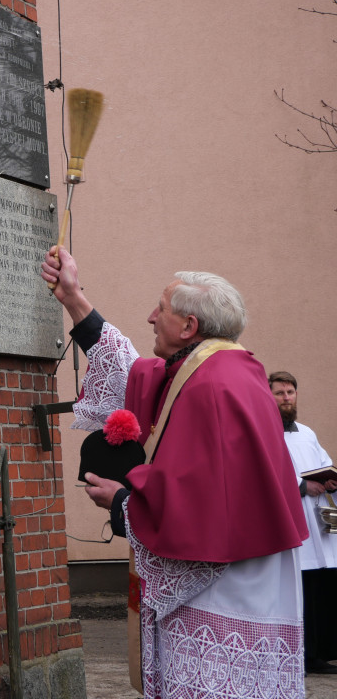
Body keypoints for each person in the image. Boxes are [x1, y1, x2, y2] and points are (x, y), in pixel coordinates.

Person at [41, 245, 308, 699]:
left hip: (226, 586)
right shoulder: (216, 369)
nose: (150, 317)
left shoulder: (216, 385)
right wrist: (73, 298)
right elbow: (131, 372)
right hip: (239, 572)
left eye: (160, 309)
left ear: (189, 326)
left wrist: (123, 502)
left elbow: (201, 501)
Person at [270, 370, 337, 675]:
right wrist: (301, 486)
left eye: (290, 392)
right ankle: (304, 655)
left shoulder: (307, 433)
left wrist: (330, 480)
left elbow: (322, 464)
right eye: (279, 393)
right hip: (291, 518)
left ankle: (324, 650)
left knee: (324, 583)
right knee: (303, 588)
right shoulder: (265, 432)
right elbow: (266, 474)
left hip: (319, 519)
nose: (286, 398)